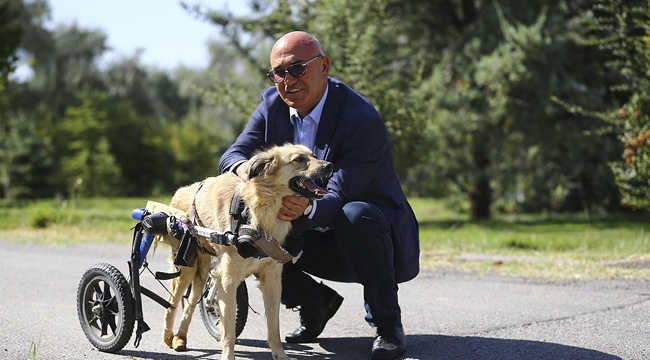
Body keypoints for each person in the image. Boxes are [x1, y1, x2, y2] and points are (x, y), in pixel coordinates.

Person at [219, 31, 419, 360]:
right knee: (258, 223)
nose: (287, 80)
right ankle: (314, 301)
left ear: (323, 66)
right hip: (308, 233)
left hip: (368, 241)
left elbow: (339, 191)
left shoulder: (361, 119)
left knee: (356, 214)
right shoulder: (271, 105)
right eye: (279, 72)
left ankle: (387, 326)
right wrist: (246, 169)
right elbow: (234, 154)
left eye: (297, 68)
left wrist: (302, 209)